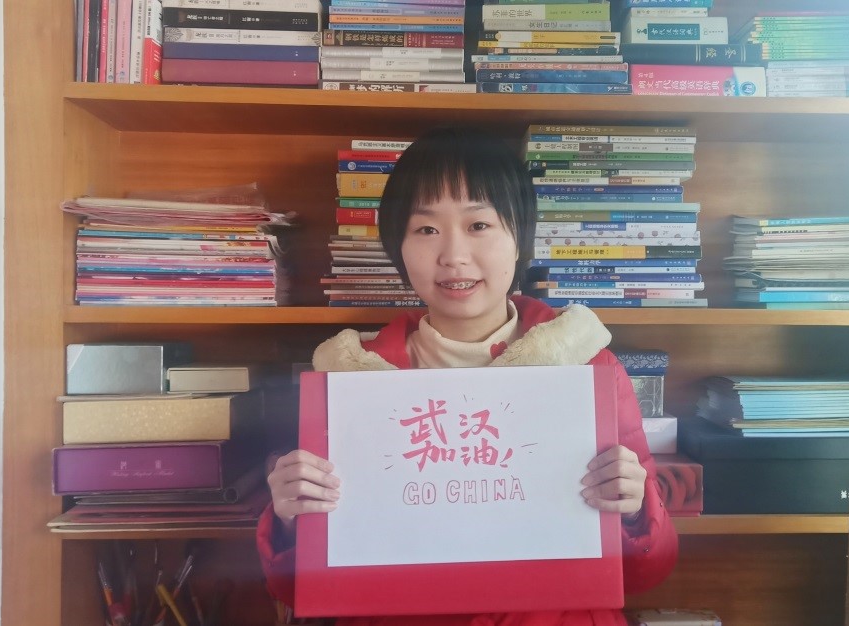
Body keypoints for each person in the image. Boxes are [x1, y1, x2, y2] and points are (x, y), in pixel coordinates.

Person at [258, 126, 678, 626]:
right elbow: (298, 587)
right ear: (397, 246)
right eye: (426, 230)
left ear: (519, 237)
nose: (453, 255)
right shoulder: (350, 381)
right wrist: (290, 521)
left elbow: (649, 570)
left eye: (479, 224)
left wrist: (634, 510)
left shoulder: (585, 365)